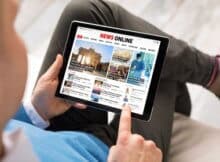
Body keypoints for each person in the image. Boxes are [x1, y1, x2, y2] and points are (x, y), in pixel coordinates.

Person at [1, 0, 220, 162]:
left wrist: (35, 112)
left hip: (58, 133)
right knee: (156, 70)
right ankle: (209, 80)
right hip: (110, 155)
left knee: (84, 13)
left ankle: (212, 73)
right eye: (11, 27)